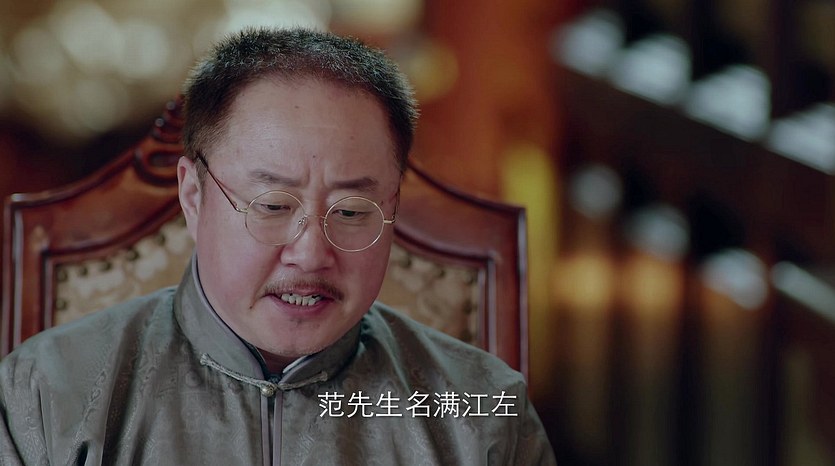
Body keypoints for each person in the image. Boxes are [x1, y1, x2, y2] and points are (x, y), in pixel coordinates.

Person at [0, 27, 556, 465]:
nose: (311, 254)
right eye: (271, 206)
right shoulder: (48, 395)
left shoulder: (483, 412)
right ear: (193, 196)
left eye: (352, 212)